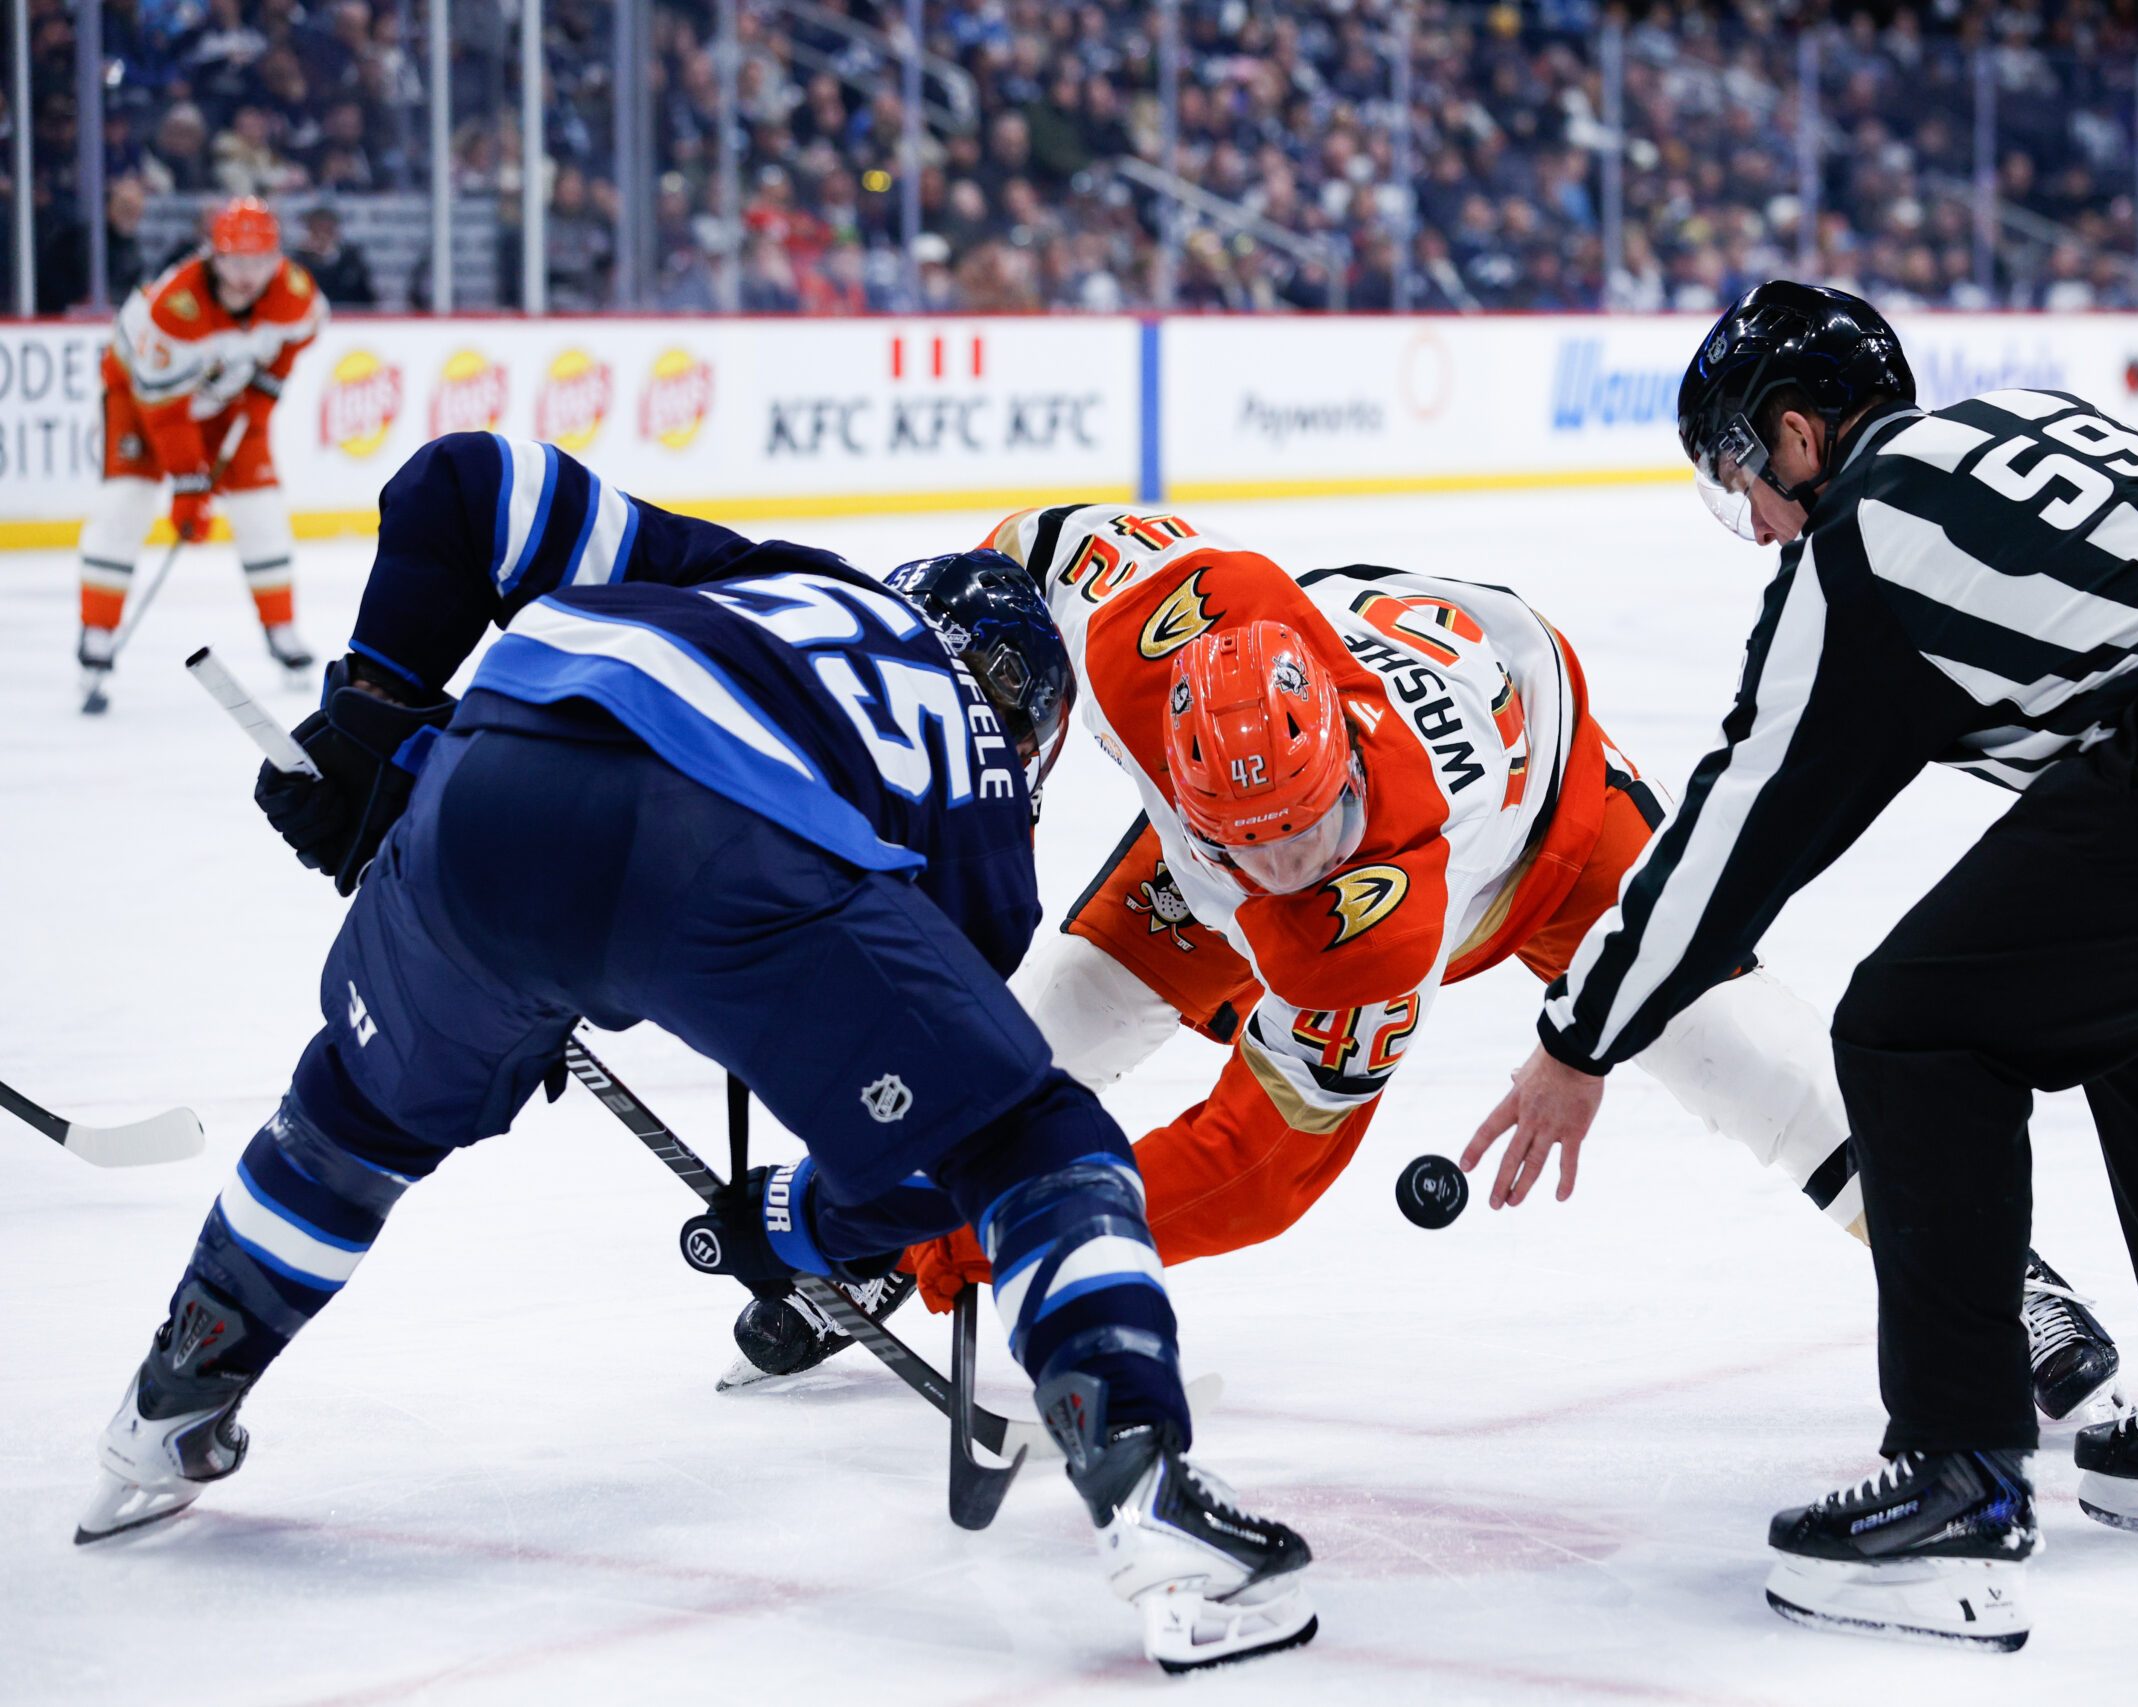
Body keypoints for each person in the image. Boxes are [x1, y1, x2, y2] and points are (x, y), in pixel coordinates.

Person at [73, 434, 1317, 1677]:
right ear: (1037, 728)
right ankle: (1149, 1487)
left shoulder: (775, 576)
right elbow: (916, 1169)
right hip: (722, 843)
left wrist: (381, 719)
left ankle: (171, 1401)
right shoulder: (987, 808)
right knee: (1035, 1141)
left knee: (352, 1120)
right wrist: (788, 1226)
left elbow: (464, 485)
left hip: (493, 773)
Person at [1463, 282, 2138, 1648]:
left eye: (1741, 480)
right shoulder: (2025, 424)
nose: (1757, 524)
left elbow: (1739, 829)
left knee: (1912, 1028)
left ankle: (1958, 1475)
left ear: (1795, 436)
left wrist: (1579, 1037)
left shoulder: (1862, 537)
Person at [747, 504, 2120, 1432]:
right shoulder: (1148, 622)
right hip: (1285, 769)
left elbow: (1255, 1163)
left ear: (1343, 768)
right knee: (1031, 1036)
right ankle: (876, 1204)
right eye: (1252, 840)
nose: (1281, 869)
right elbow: (1027, 552)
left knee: (1738, 1051)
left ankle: (1990, 1265)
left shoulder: (1363, 925)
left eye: (1307, 834)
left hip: (1555, 815)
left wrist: (975, 1234)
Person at [76, 196, 326, 699]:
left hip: (227, 400)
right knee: (125, 504)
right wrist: (189, 485)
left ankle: (282, 630)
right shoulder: (175, 306)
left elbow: (304, 335)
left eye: (260, 262)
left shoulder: (294, 292)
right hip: (141, 398)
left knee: (263, 509)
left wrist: (266, 390)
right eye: (236, 261)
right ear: (214, 255)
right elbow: (165, 412)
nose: (248, 276)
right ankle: (96, 632)